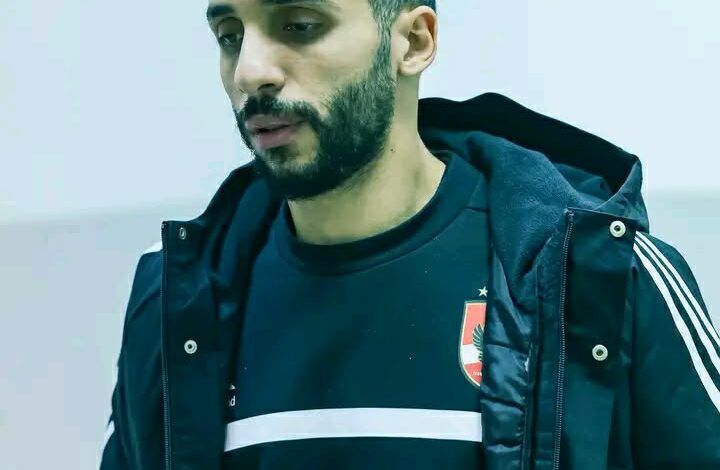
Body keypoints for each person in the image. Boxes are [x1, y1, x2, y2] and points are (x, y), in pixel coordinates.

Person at [100, 0, 720, 468]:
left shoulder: (597, 271)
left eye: (300, 25)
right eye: (230, 36)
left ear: (413, 41)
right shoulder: (179, 299)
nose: (250, 72)